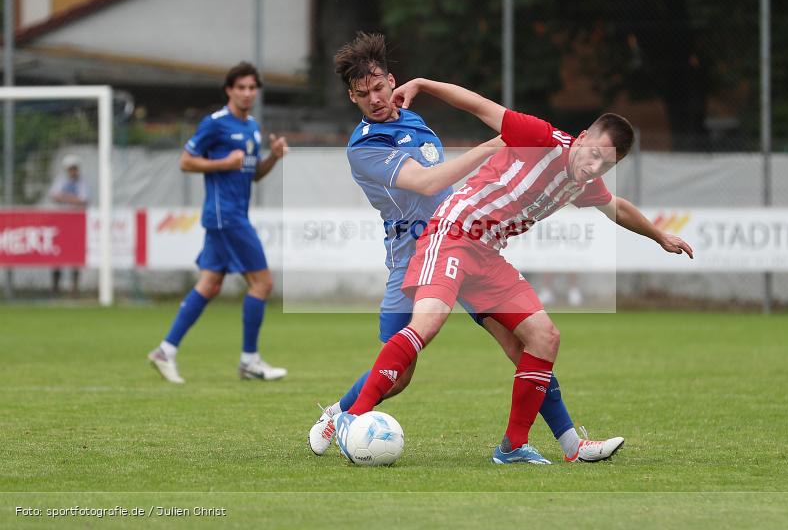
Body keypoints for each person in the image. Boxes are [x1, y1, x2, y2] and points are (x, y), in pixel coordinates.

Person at [332, 77, 694, 464]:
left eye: (606, 164)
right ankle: (349, 419)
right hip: (453, 232)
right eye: (593, 154)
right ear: (583, 136)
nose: (593, 166)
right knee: (428, 325)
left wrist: (659, 235)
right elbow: (477, 105)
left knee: (542, 337)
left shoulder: (584, 182)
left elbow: (616, 207)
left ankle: (521, 447)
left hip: (487, 256)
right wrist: (423, 84)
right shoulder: (540, 137)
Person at [309, 32, 623, 464]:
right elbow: (428, 181)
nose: (375, 98)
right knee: (400, 376)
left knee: (526, 344)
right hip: (412, 253)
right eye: (363, 94)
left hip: (464, 243)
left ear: (391, 81)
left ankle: (567, 443)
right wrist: (494, 144)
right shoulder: (364, 146)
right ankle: (340, 413)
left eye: (379, 87)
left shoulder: (413, 120)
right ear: (352, 98)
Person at [148, 62, 289, 384]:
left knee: (210, 284)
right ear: (229, 90)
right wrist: (223, 162)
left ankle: (165, 351)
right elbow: (185, 161)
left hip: (233, 213)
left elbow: (252, 175)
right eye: (241, 87)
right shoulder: (215, 124)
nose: (247, 93)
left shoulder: (252, 127)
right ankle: (250, 361)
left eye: (252, 88)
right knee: (263, 283)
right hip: (226, 216)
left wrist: (273, 157)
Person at [50, 154, 89, 296]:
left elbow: (83, 200)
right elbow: (54, 196)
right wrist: (73, 199)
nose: (73, 171)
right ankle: (55, 288)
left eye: (74, 168)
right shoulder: (61, 180)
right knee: (57, 255)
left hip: (75, 223)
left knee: (76, 256)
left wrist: (65, 197)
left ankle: (74, 289)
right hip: (61, 222)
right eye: (70, 168)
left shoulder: (82, 182)